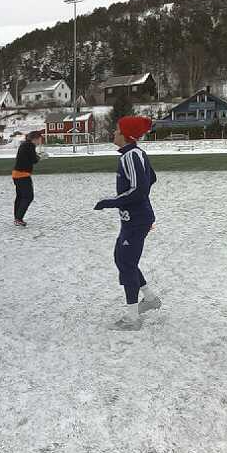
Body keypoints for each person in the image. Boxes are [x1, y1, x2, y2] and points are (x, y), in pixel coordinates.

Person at [94, 115, 161, 331]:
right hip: (133, 219)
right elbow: (151, 178)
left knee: (126, 264)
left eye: (116, 130)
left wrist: (109, 201)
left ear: (126, 135)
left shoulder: (130, 156)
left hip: (137, 220)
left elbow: (140, 189)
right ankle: (150, 299)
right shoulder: (135, 154)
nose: (113, 133)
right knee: (122, 259)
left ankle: (133, 318)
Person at [12, 130, 42, 226]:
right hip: (23, 175)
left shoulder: (25, 144)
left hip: (16, 174)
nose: (40, 142)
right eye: (39, 140)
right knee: (28, 196)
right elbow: (34, 160)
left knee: (20, 197)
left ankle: (17, 217)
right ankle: (19, 218)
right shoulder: (30, 146)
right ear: (35, 139)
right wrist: (40, 157)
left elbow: (28, 157)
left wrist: (36, 156)